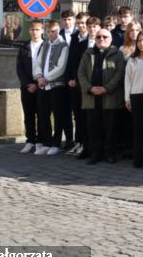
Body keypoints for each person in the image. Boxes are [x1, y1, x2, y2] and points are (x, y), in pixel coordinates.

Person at [78, 28, 126, 164]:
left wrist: (106, 88)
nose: (101, 40)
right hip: (91, 97)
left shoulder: (117, 54)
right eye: (99, 37)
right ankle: (95, 153)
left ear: (110, 39)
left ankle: (109, 153)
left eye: (105, 37)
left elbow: (119, 74)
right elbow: (81, 73)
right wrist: (90, 88)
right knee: (94, 127)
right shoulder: (87, 53)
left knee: (110, 128)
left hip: (109, 97)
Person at [36, 19, 69, 156]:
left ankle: (56, 143)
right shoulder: (44, 45)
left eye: (54, 31)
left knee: (58, 115)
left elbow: (61, 67)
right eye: (49, 32)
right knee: (43, 114)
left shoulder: (64, 45)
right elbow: (38, 63)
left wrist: (46, 78)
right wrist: (39, 77)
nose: (51, 34)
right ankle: (46, 142)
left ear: (59, 30)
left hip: (57, 85)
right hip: (44, 85)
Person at [64, 14, 93, 155]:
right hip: (74, 84)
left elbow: (85, 66)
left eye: (84, 23)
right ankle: (78, 142)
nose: (82, 26)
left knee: (85, 115)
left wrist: (78, 79)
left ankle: (85, 143)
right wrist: (69, 78)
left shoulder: (91, 40)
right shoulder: (75, 38)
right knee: (77, 115)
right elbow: (71, 61)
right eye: (80, 23)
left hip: (84, 83)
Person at [16, 20, 45, 155]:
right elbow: (19, 68)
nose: (35, 32)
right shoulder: (24, 47)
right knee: (28, 114)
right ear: (29, 31)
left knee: (41, 113)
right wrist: (28, 84)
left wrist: (38, 82)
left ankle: (40, 141)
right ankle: (30, 141)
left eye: (38, 29)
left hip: (42, 84)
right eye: (32, 30)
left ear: (42, 31)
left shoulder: (46, 46)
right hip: (27, 86)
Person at [124, 32, 143, 169]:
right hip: (135, 96)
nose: (142, 43)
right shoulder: (132, 60)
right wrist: (127, 98)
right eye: (140, 41)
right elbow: (127, 79)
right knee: (137, 128)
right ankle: (138, 157)